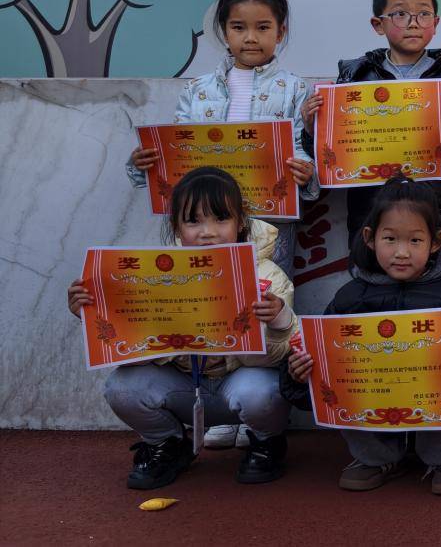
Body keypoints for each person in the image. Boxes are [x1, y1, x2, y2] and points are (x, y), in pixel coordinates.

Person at [125, 0, 315, 449]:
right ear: (223, 33)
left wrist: (304, 169)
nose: (251, 37)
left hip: (270, 223)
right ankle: (220, 407)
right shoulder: (197, 91)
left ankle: (251, 411)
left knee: (265, 303)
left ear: (281, 32)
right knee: (204, 302)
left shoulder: (296, 89)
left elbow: (303, 150)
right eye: (239, 27)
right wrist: (145, 163)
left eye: (263, 27)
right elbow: (175, 154)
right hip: (207, 223)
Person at [283, 178, 441, 494]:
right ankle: (375, 456)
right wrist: (300, 372)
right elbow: (322, 358)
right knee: (346, 372)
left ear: (436, 242)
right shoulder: (351, 297)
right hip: (376, 404)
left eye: (415, 240)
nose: (401, 252)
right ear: (369, 238)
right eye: (390, 238)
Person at [68, 167, 296, 489]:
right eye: (193, 221)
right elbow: (133, 354)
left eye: (221, 219)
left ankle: (265, 443)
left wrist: (278, 320)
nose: (208, 233)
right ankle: (167, 444)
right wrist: (94, 314)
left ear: (241, 223)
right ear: (176, 226)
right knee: (121, 387)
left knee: (266, 391)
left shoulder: (267, 276)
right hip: (184, 388)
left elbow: (280, 359)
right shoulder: (152, 275)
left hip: (239, 384)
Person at [299, 0, 441, 253]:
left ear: (436, 23)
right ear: (378, 24)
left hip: (440, 215)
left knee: (440, 280)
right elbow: (329, 159)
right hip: (372, 214)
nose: (413, 23)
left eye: (423, 14)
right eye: (400, 14)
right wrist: (313, 129)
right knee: (373, 280)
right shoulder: (355, 76)